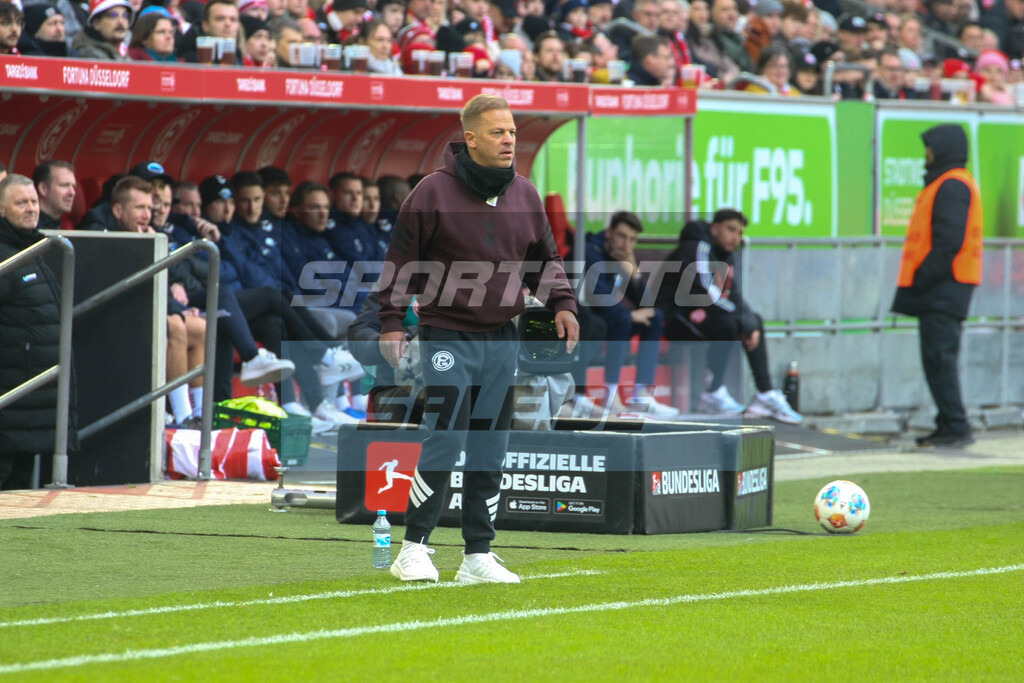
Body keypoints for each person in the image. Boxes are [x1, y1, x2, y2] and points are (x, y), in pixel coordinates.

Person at [378, 94, 579, 584]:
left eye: (511, 131)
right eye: (497, 132)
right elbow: (400, 262)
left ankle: (477, 555)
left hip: (501, 337)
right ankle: (414, 548)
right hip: (446, 332)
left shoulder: (526, 195)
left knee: (491, 446)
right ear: (470, 138)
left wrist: (564, 304)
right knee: (444, 436)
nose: (509, 139)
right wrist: (388, 320)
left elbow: (544, 261)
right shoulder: (430, 193)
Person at [655, 209, 803, 424]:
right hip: (672, 315)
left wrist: (751, 322)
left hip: (700, 313)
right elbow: (707, 293)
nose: (736, 237)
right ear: (714, 228)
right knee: (730, 324)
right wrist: (745, 322)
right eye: (731, 230)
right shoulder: (698, 247)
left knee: (754, 321)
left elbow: (733, 296)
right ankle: (712, 393)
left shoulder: (726, 256)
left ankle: (765, 393)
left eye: (740, 232)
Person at [892, 124, 982, 448]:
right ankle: (948, 425)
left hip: (944, 287)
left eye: (930, 147)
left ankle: (955, 426)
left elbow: (947, 242)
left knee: (940, 359)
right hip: (946, 286)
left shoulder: (952, 184)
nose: (926, 153)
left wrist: (921, 278)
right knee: (938, 359)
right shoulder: (949, 182)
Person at [579, 210, 680, 420]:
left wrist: (634, 273)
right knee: (622, 318)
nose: (626, 245)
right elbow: (598, 297)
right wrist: (631, 316)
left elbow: (646, 304)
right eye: (621, 236)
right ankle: (610, 394)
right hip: (587, 316)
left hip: (608, 317)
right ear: (609, 232)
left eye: (632, 240)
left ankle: (641, 395)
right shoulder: (590, 251)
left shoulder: (621, 256)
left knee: (655, 317)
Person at [0, 175, 66, 490]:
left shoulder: (33, 247)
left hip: (31, 395)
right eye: (21, 202)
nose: (31, 209)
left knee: (21, 484)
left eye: (34, 202)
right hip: (11, 393)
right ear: (1, 208)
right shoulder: (5, 252)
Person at [32, 161, 78, 230]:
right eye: (64, 185)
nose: (72, 193)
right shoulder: (29, 229)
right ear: (43, 189)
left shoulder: (55, 225)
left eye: (73, 187)